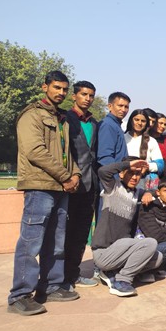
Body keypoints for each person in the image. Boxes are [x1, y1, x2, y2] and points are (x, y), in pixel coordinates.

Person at [8, 71, 82, 316]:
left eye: (64, 89)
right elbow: (35, 150)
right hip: (39, 186)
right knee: (31, 243)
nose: (61, 92)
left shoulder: (62, 119)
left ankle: (50, 286)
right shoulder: (31, 115)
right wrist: (65, 176)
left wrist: (75, 174)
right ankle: (19, 295)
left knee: (56, 242)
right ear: (45, 87)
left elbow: (67, 153)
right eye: (56, 87)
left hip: (60, 187)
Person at [91, 159, 162, 297]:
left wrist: (149, 193)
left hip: (122, 251)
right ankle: (122, 280)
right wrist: (128, 164)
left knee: (158, 257)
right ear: (121, 174)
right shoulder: (112, 187)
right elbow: (102, 171)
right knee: (150, 243)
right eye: (130, 173)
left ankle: (113, 272)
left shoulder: (136, 193)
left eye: (138, 174)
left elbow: (155, 192)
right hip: (104, 252)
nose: (134, 177)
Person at [64, 80, 100, 289]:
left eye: (91, 95)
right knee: (65, 232)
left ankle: (73, 273)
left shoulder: (94, 123)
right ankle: (60, 277)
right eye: (84, 94)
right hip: (71, 184)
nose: (87, 98)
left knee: (81, 232)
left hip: (90, 185)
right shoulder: (66, 119)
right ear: (74, 96)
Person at [124, 109, 164, 190]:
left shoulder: (151, 141)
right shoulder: (122, 138)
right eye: (136, 120)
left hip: (144, 181)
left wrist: (145, 166)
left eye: (143, 121)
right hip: (124, 179)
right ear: (131, 120)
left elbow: (160, 165)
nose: (139, 123)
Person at [97, 91, 131, 167]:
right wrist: (115, 173)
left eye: (126, 107)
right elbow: (105, 157)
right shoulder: (107, 125)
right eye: (120, 106)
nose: (123, 110)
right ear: (110, 106)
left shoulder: (116, 125)